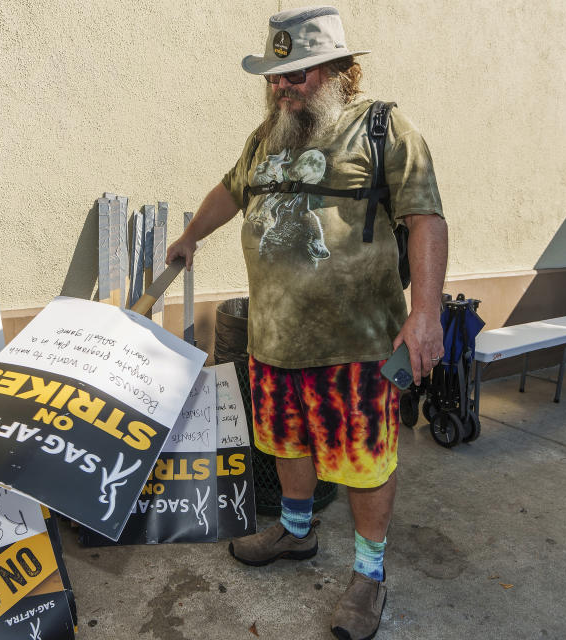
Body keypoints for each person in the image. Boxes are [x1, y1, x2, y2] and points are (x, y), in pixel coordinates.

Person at [165, 6, 448, 639]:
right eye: (275, 75)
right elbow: (230, 190)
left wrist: (426, 314)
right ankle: (296, 535)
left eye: (297, 75)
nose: (283, 87)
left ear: (339, 70)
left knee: (363, 461)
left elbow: (426, 216)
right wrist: (189, 237)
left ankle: (369, 575)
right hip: (274, 339)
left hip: (357, 346)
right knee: (287, 442)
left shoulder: (381, 127)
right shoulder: (267, 136)